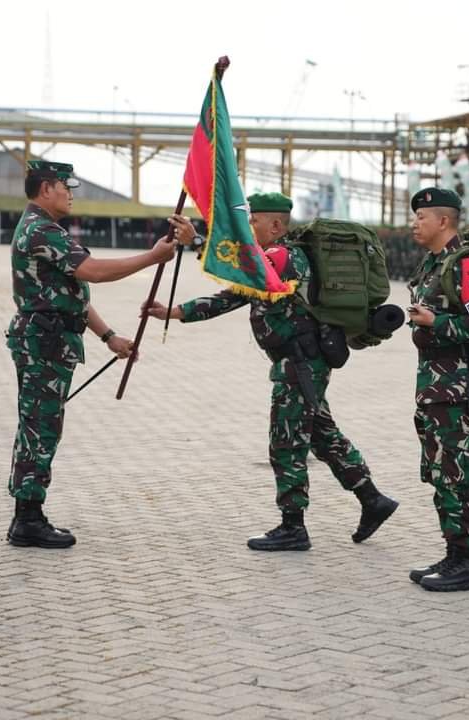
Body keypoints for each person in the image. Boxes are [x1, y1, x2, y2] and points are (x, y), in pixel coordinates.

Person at [145, 192, 399, 551]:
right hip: (298, 363)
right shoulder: (271, 260)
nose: (250, 227)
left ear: (276, 225)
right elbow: (230, 296)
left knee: (286, 442)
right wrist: (172, 312)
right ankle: (373, 500)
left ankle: (293, 526)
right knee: (321, 435)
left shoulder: (281, 256)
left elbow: (242, 271)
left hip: (299, 363)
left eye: (254, 221)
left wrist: (197, 242)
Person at [4, 160, 176, 548]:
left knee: (41, 424)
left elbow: (70, 293)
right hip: (43, 343)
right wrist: (153, 257)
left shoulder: (42, 228)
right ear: (47, 188)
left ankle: (28, 513)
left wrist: (109, 337)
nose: (70, 194)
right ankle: (27, 519)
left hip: (48, 341)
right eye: (67, 187)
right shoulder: (41, 230)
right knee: (40, 427)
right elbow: (93, 272)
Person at [405, 188, 469, 592]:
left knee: (460, 473)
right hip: (437, 386)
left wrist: (436, 324)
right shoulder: (434, 263)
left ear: (443, 221)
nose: (414, 223)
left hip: (459, 388)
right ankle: (454, 552)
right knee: (443, 473)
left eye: (421, 217)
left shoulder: (466, 266)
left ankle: (468, 562)